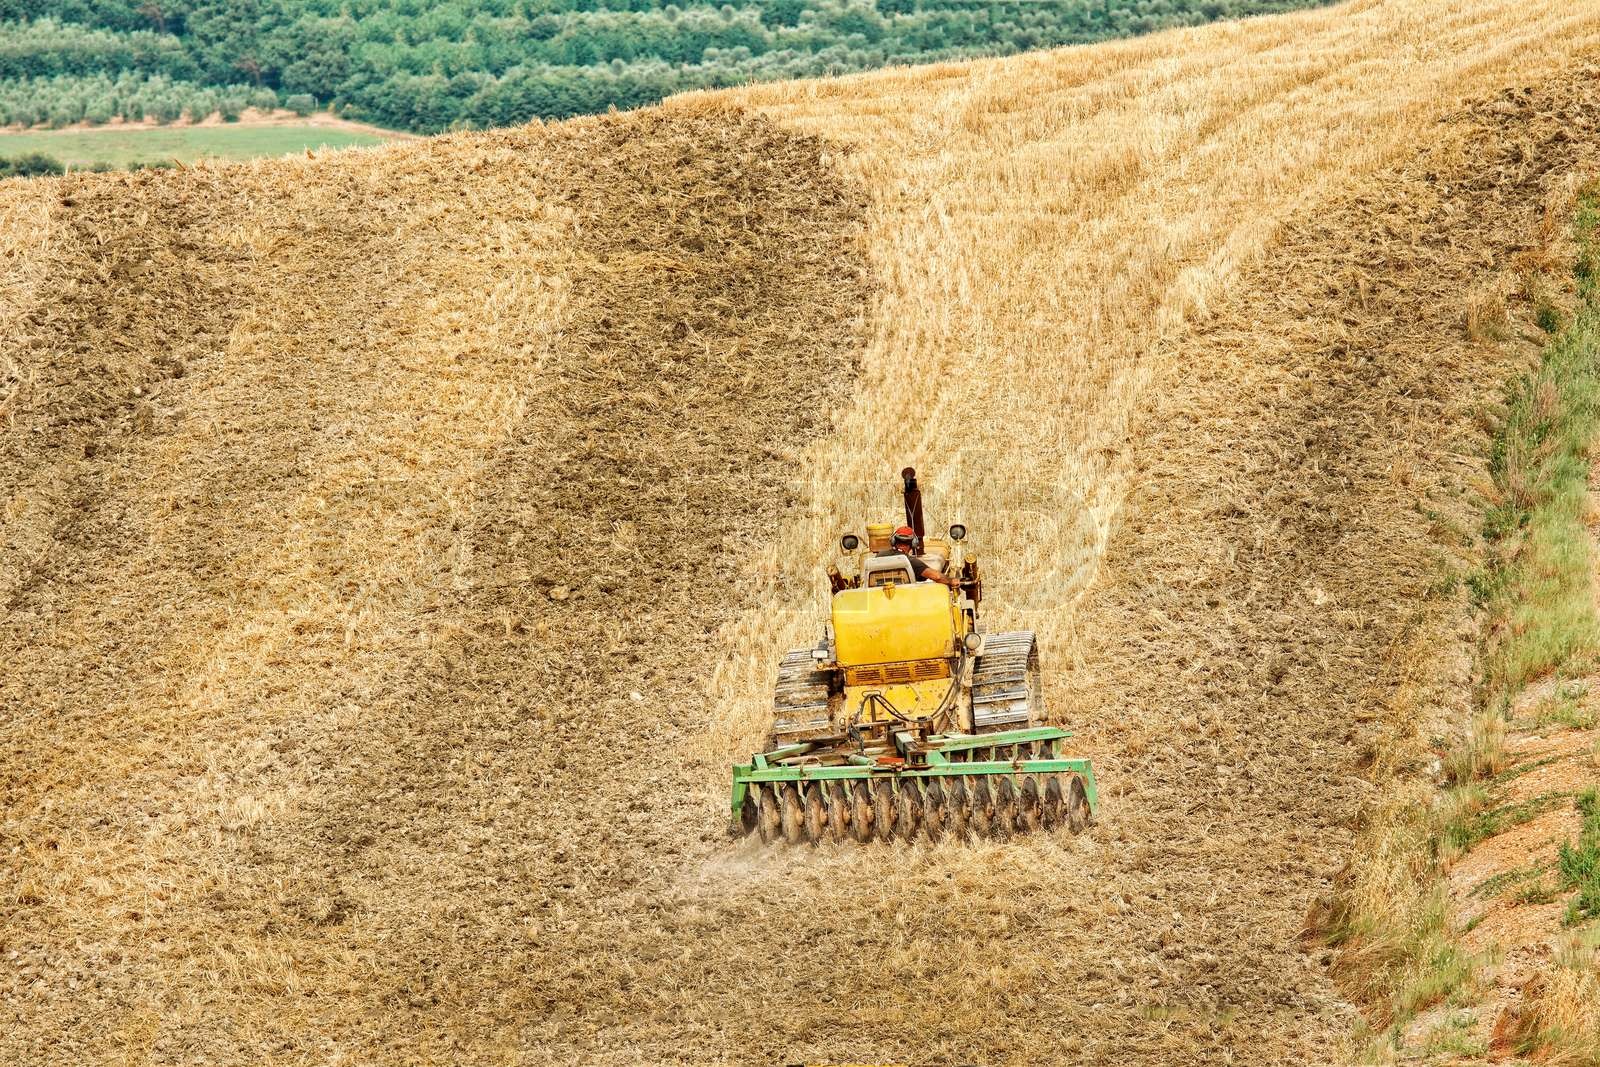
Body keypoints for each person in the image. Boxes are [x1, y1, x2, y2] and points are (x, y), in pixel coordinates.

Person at [878, 526, 960, 587]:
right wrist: (951, 580)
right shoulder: (910, 561)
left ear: (893, 541)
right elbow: (937, 577)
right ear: (913, 543)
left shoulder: (879, 556)